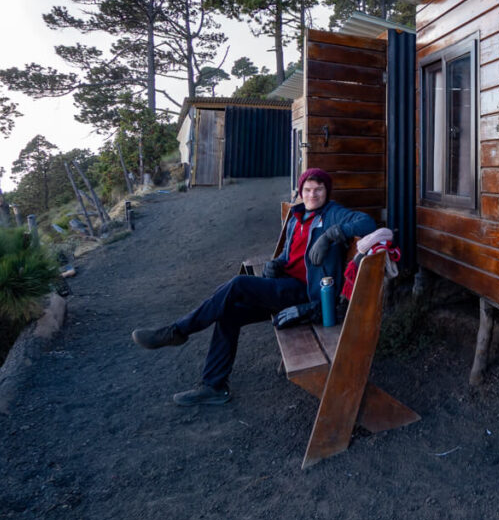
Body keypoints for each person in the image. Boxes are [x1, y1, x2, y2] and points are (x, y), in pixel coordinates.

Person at [131, 168, 376, 406]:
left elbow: (367, 223)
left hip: (306, 294)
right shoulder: (297, 218)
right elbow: (289, 256)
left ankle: (178, 330)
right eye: (308, 189)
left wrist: (331, 235)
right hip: (284, 285)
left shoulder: (333, 213)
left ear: (327, 192)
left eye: (319, 190)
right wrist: (276, 264)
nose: (313, 195)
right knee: (229, 312)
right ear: (300, 192)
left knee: (239, 284)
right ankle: (213, 386)